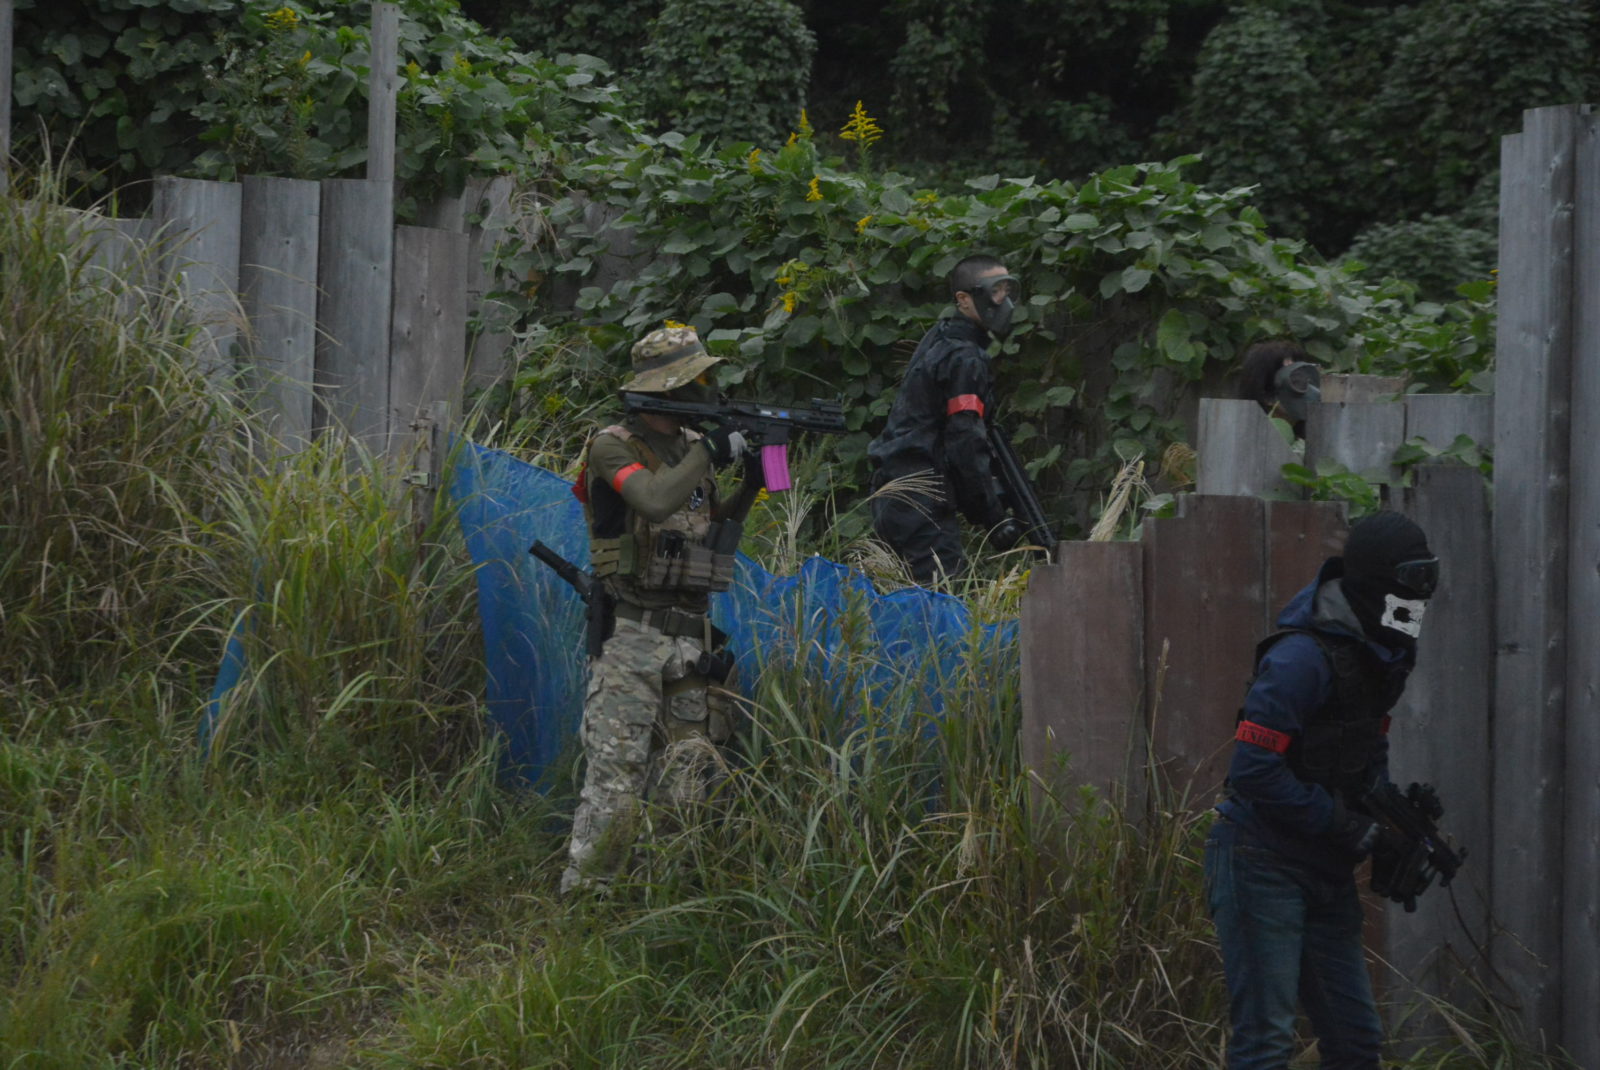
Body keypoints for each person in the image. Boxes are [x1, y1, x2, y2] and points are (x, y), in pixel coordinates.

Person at [1204, 511, 1442, 1069]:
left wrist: (1392, 818)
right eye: (1412, 578)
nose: (1421, 594)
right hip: (1261, 863)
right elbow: (1252, 770)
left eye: (1428, 576)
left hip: (1324, 867)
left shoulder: (1380, 652)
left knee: (1356, 1042)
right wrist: (1347, 824)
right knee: (1266, 1042)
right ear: (1377, 580)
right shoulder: (1300, 658)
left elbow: (1365, 750)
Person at [561, 325, 759, 896]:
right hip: (631, 635)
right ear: (668, 388)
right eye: (697, 378)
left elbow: (709, 526)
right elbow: (652, 500)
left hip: (689, 639)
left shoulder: (689, 447)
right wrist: (709, 449)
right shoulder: (612, 445)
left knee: (687, 775)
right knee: (616, 774)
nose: (709, 387)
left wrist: (751, 480)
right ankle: (586, 896)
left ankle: (663, 897)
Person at [866, 253, 1024, 584]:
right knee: (941, 600)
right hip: (920, 497)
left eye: (1007, 290)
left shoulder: (942, 339)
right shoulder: (964, 357)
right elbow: (965, 438)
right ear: (963, 299)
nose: (1003, 301)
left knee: (904, 600)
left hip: (898, 491)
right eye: (995, 291)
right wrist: (992, 515)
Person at [1239, 338, 1321, 439]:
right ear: (1267, 396)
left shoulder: (1319, 435)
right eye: (1294, 380)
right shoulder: (1246, 438)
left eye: (1303, 375)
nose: (1307, 388)